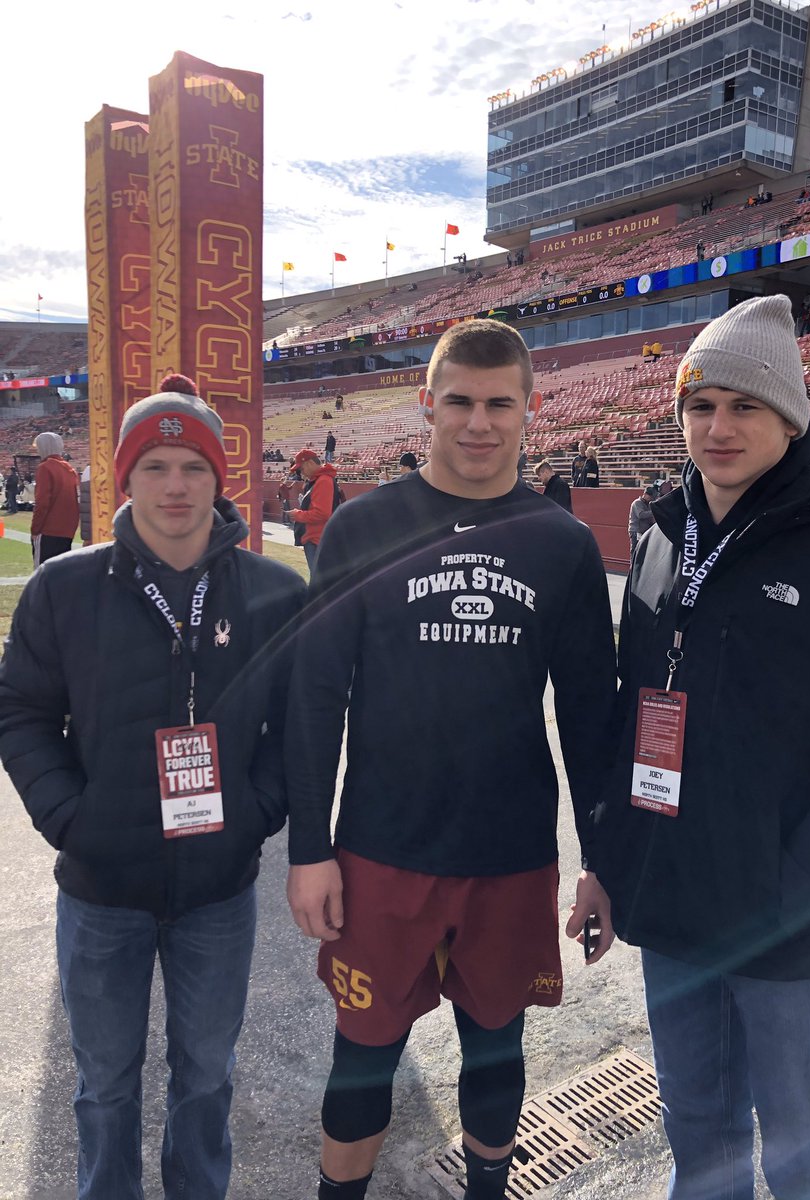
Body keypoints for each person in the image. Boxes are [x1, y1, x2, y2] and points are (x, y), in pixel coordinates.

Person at [286, 319, 617, 1200]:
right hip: (381, 849)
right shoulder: (362, 527)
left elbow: (589, 715)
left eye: (499, 403)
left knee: (498, 1046)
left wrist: (600, 862)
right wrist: (307, 848)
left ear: (530, 410)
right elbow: (315, 697)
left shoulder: (562, 544)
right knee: (361, 1057)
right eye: (460, 402)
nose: (479, 422)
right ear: (427, 405)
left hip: (507, 852)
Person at [590, 295, 810, 1200]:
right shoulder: (656, 535)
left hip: (793, 928)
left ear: (791, 417)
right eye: (700, 405)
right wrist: (608, 860)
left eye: (744, 406)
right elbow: (632, 711)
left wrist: (804, 889)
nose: (717, 427)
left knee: (806, 1158)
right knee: (698, 1135)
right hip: (676, 909)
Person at [0, 373, 306, 1200]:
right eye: (155, 467)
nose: (175, 485)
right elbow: (21, 712)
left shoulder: (276, 594)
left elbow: (302, 730)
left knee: (207, 1077)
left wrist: (253, 814)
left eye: (193, 467)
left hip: (218, 888)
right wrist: (71, 816)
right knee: (104, 1087)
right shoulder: (63, 590)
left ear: (220, 478)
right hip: (102, 891)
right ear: (124, 479)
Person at [30, 431, 80, 566]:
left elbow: (42, 503)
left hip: (48, 530)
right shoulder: (70, 469)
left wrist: (35, 529)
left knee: (42, 574)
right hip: (67, 531)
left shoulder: (45, 468)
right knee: (60, 575)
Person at [288, 448, 338, 575]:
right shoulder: (319, 480)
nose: (301, 473)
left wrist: (297, 515)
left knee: (320, 583)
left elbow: (321, 513)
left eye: (301, 469)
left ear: (310, 463)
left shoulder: (323, 481)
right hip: (317, 539)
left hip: (317, 540)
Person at [627, 487, 655, 554]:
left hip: (643, 531)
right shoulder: (637, 503)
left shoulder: (648, 504)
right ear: (645, 494)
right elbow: (641, 515)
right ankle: (633, 564)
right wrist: (654, 512)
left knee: (642, 551)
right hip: (636, 531)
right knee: (635, 551)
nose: (651, 498)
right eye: (650, 496)